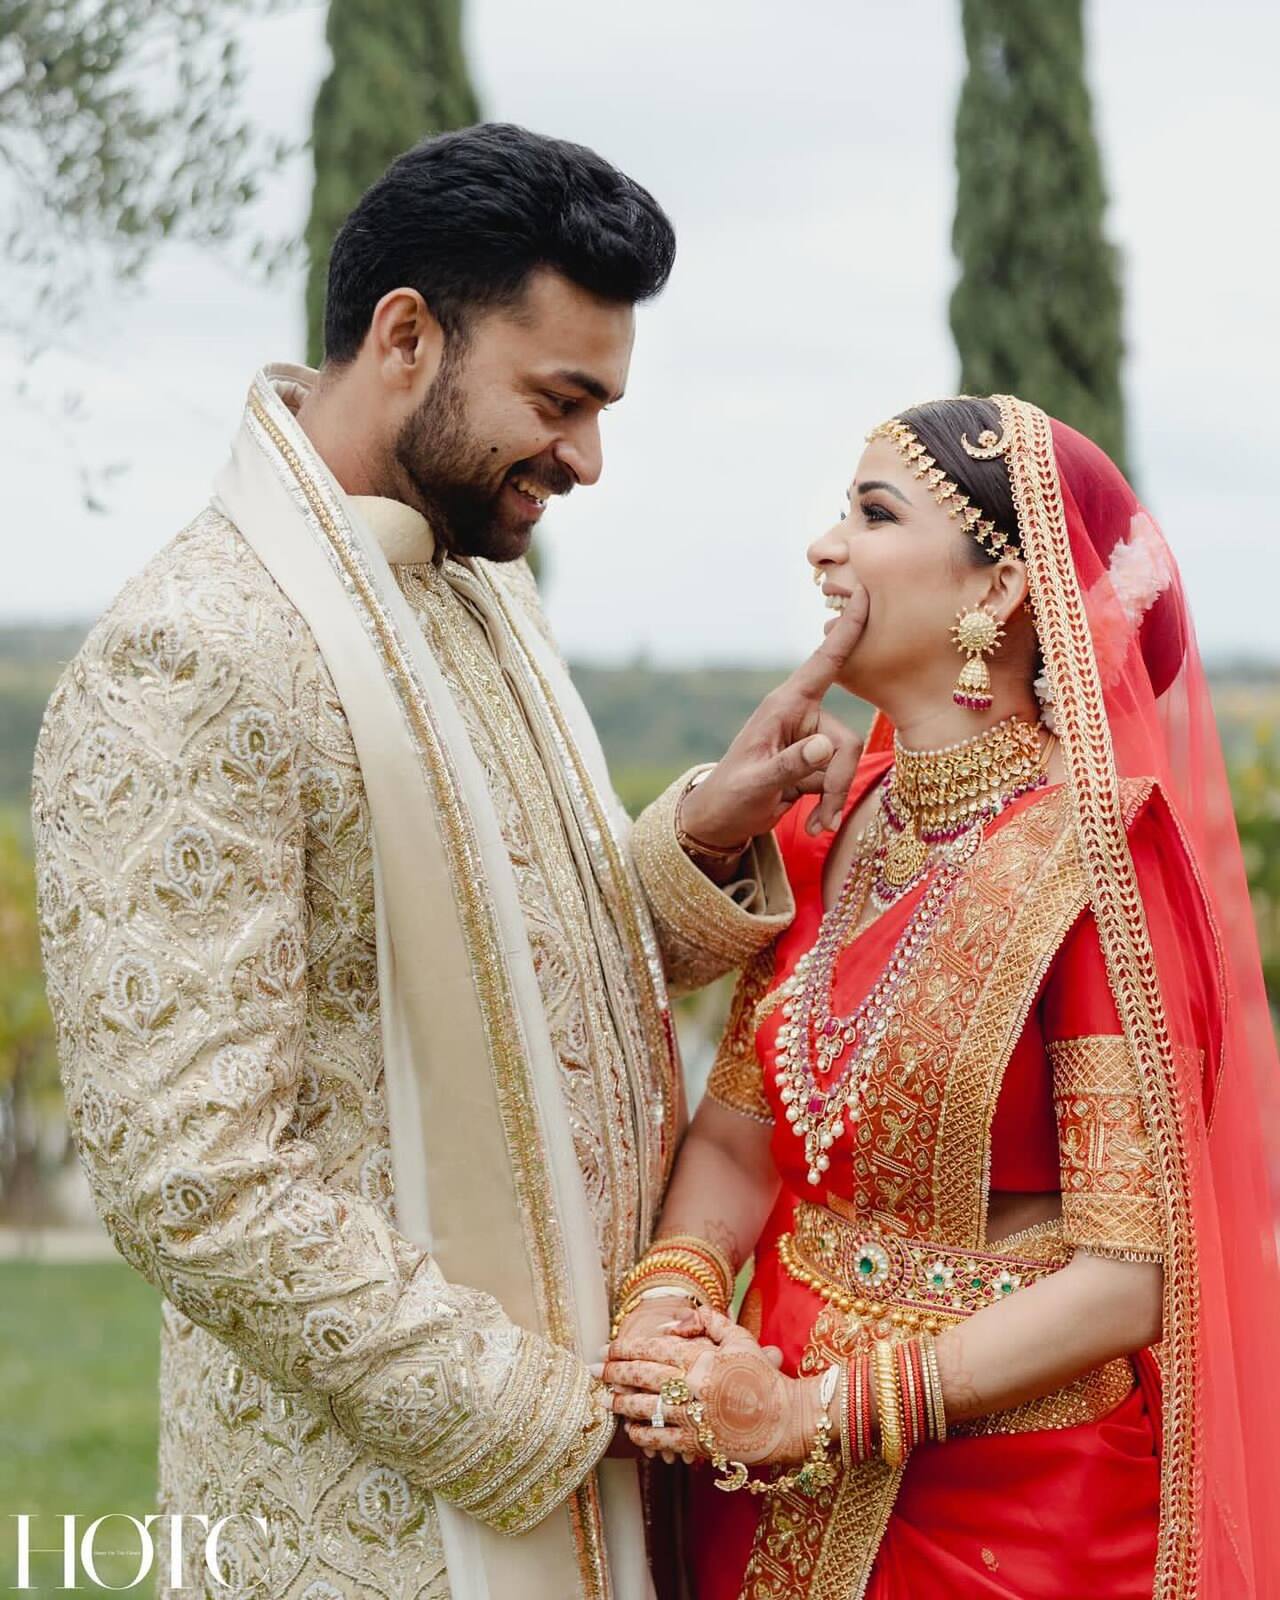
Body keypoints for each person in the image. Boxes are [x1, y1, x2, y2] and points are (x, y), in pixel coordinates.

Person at [28, 123, 866, 1600]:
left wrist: (697, 840)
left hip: (600, 1472)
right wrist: (544, 1413)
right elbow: (193, 1173)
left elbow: (503, 960)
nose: (589, 459)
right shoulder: (200, 650)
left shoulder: (476, 588)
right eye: (561, 399)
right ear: (407, 336)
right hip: (383, 1520)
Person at [602, 393, 1280, 1598]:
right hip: (761, 1470)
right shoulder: (826, 822)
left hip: (1013, 1508)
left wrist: (816, 1412)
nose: (824, 546)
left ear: (998, 591)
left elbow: (1129, 1277)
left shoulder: (1094, 864)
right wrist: (671, 1298)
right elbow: (741, 1139)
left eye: (871, 513)